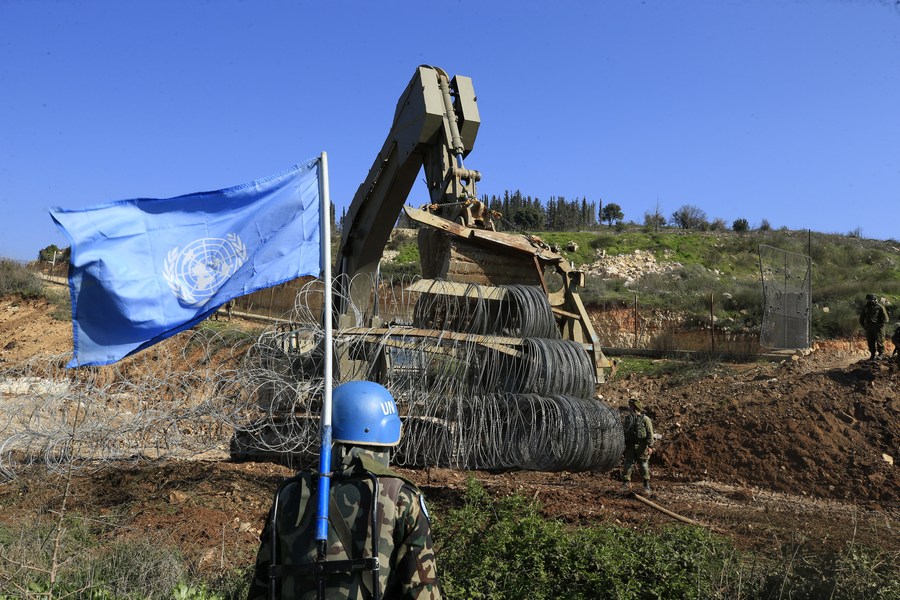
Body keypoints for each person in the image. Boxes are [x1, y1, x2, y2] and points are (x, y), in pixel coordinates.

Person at [247, 381, 442, 600]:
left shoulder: (289, 494)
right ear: (385, 432)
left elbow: (263, 586)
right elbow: (423, 592)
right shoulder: (401, 497)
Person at [620, 396, 654, 495]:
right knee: (627, 465)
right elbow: (624, 432)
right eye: (630, 406)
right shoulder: (628, 419)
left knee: (643, 465)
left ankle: (646, 484)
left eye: (632, 406)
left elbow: (650, 433)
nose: (630, 408)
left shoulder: (645, 419)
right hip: (630, 446)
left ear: (636, 407)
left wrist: (650, 446)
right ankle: (626, 483)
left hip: (642, 446)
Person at [858, 293, 889, 360]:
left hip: (878, 328)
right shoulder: (865, 307)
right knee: (870, 342)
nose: (869, 301)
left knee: (879, 341)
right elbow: (861, 318)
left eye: (871, 299)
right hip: (869, 328)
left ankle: (881, 354)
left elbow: (886, 318)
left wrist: (881, 325)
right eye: (868, 299)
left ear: (874, 300)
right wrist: (864, 327)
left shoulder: (879, 307)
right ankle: (872, 354)